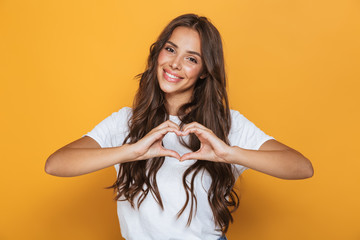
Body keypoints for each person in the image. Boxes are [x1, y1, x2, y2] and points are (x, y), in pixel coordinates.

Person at [45, 13, 314, 240]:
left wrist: (229, 154)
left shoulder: (227, 124)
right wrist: (132, 151)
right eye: (171, 49)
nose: (175, 63)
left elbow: (301, 167)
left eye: (191, 58)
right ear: (158, 53)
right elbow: (56, 164)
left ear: (205, 70)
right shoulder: (126, 121)